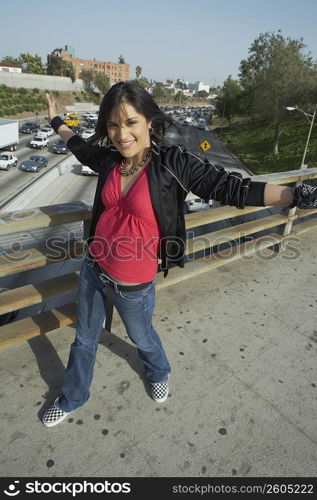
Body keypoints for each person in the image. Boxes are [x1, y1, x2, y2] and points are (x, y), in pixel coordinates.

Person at [42, 81, 317, 427]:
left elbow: (230, 186)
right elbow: (79, 146)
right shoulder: (111, 160)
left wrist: (294, 195)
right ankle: (73, 396)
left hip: (135, 283)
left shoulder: (172, 163)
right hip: (94, 267)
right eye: (112, 124)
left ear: (149, 122)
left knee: (142, 336)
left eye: (130, 122)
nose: (121, 134)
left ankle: (159, 371)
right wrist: (56, 121)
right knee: (84, 337)